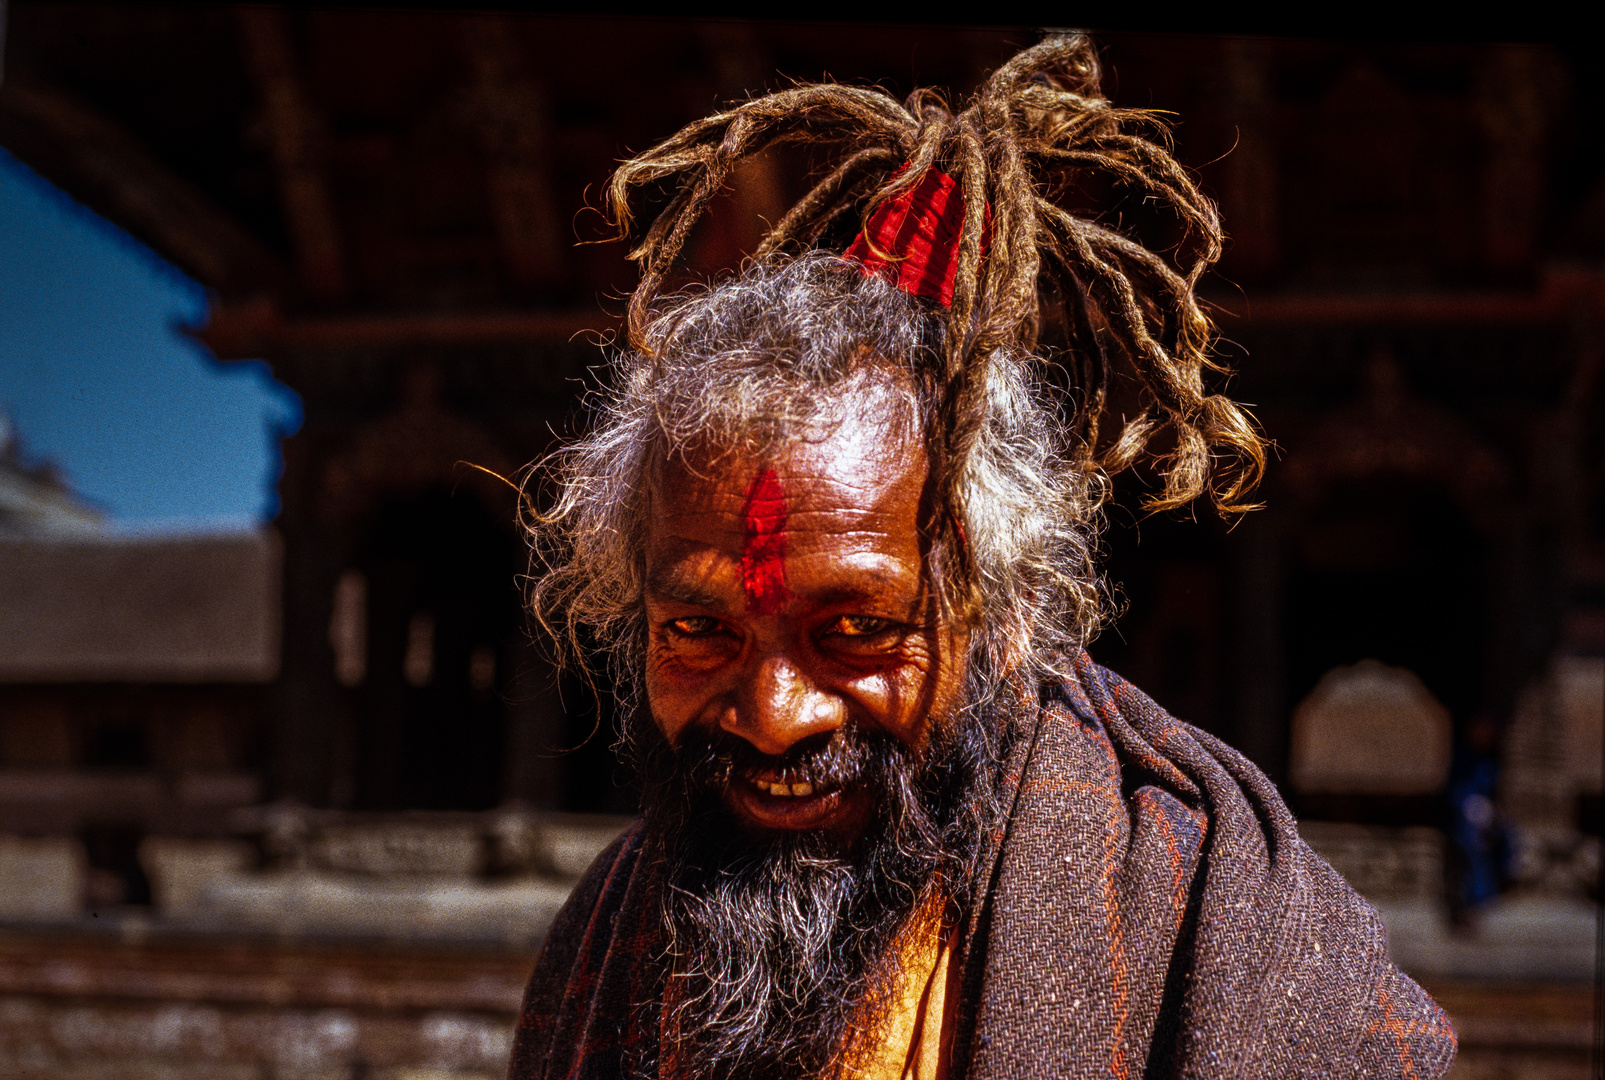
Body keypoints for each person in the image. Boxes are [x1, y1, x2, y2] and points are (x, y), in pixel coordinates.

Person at [508, 34, 1456, 1080]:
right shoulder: (607, 932)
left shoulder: (1236, 949)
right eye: (698, 631)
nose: (774, 712)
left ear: (1006, 617)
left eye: (857, 630)